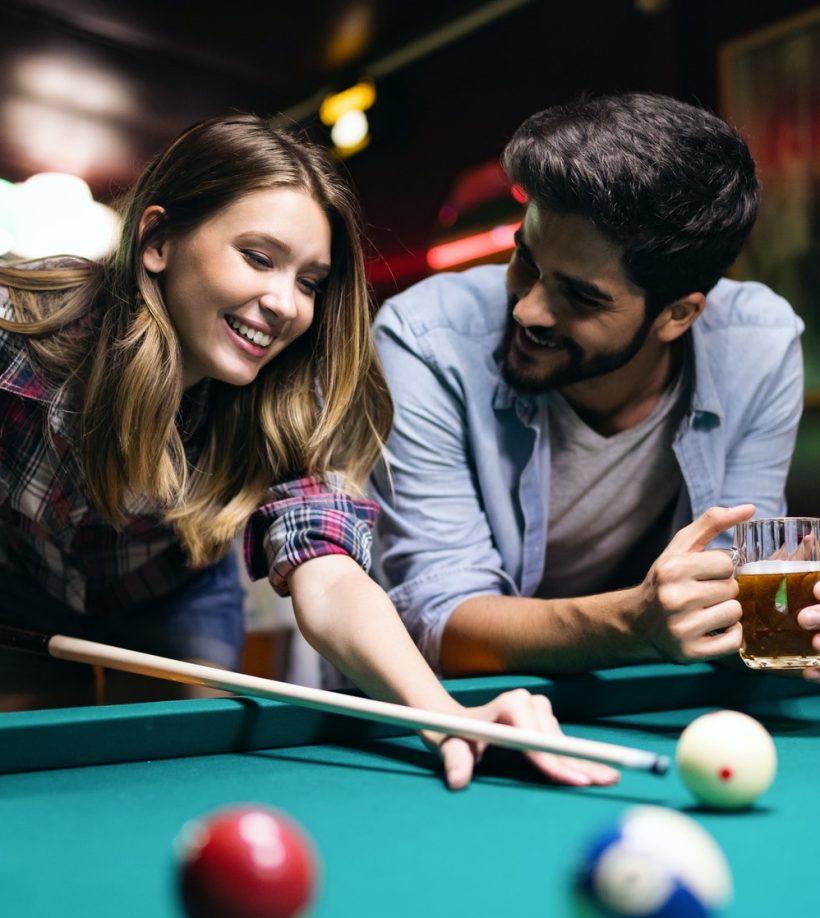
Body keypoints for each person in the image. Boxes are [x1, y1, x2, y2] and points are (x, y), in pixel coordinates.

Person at [0, 112, 619, 789]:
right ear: (157, 240)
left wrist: (444, 715)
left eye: (310, 281)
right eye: (259, 258)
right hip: (18, 588)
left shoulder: (285, 401)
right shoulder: (18, 339)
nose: (286, 304)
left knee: (169, 782)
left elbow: (329, 576)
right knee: (30, 778)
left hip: (169, 590)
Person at [370, 91, 809, 680]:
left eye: (579, 294)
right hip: (448, 706)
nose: (528, 310)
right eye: (525, 260)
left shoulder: (759, 343)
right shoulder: (425, 339)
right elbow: (438, 622)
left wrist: (783, 625)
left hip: (646, 696)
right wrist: (633, 622)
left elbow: (734, 582)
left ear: (677, 315)